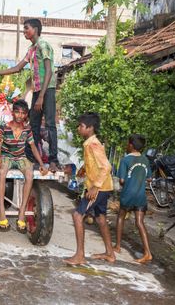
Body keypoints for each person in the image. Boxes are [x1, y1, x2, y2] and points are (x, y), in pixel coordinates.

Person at [0, 18, 60, 172]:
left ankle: (54, 160)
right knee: (33, 124)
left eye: (26, 28)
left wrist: (42, 96)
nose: (24, 31)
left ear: (35, 29)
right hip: (37, 90)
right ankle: (31, 158)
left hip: (47, 89)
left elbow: (49, 70)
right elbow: (18, 68)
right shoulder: (31, 49)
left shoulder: (43, 45)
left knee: (49, 124)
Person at [0, 100, 47, 232]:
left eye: (23, 113)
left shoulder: (27, 129)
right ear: (12, 113)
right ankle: (2, 210)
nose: (20, 115)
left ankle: (22, 212)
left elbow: (33, 147)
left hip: (21, 157)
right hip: (6, 156)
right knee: (1, 173)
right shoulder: (4, 127)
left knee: (29, 175)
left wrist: (41, 164)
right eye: (17, 112)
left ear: (26, 115)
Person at [64, 112, 115, 265]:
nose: (78, 128)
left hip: (99, 188)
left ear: (90, 128)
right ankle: (110, 253)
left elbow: (106, 166)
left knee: (78, 216)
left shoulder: (93, 144)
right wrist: (83, 170)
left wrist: (95, 187)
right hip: (104, 187)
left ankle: (80, 255)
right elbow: (95, 164)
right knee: (100, 219)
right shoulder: (90, 143)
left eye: (81, 126)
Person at [114, 134, 153, 264]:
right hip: (140, 196)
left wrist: (126, 182)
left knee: (120, 217)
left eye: (127, 143)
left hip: (128, 195)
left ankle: (118, 246)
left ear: (131, 145)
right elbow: (148, 178)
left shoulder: (125, 160)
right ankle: (147, 252)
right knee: (140, 222)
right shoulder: (145, 160)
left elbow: (122, 180)